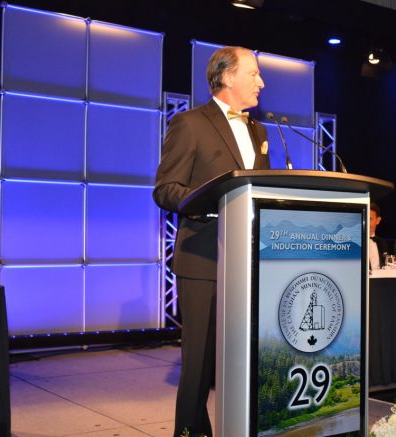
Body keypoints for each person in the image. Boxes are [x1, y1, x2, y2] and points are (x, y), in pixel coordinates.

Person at [153, 46, 269, 437]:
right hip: (203, 260)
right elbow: (165, 189)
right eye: (253, 74)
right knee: (199, 366)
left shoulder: (259, 130)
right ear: (228, 76)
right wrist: (207, 202)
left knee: (242, 361)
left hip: (247, 264)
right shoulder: (190, 124)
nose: (261, 82)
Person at [368, 202, 389, 270]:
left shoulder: (382, 243)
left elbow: (386, 265)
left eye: (370, 219)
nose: (366, 222)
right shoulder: (354, 244)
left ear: (378, 220)